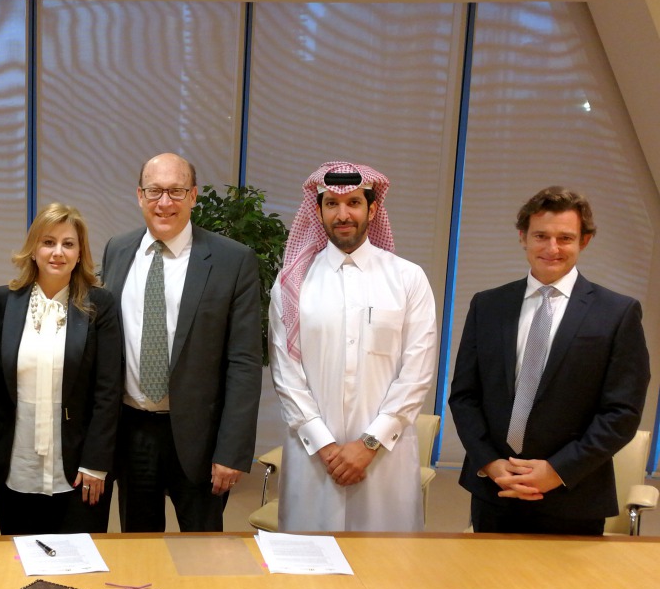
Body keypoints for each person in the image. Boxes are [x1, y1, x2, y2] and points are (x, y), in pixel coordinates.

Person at [450, 186, 649, 535]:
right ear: (522, 237)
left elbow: (622, 413)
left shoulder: (617, 313)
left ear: (584, 241)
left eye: (565, 238)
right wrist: (490, 463)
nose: (552, 248)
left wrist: (557, 471)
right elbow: (465, 396)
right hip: (495, 491)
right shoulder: (488, 305)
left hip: (573, 496)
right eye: (541, 235)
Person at [270, 162, 438, 532]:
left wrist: (369, 444)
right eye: (331, 203)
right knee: (309, 573)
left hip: (383, 462)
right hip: (314, 458)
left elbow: (417, 372)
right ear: (318, 210)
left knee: (386, 574)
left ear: (372, 209)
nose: (342, 214)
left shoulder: (407, 278)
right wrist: (327, 447)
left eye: (353, 203)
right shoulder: (292, 283)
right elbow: (286, 375)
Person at [101, 153, 262, 532]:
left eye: (175, 191)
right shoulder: (117, 251)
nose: (164, 202)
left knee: (203, 554)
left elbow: (244, 362)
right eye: (155, 191)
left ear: (193, 196)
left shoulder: (232, 260)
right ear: (139, 195)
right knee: (140, 550)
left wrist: (232, 451)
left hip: (201, 439)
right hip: (133, 431)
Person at [0, 203, 123, 535]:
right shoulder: (4, 300)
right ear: (33, 249)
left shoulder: (99, 305)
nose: (57, 252)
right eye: (48, 242)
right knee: (18, 563)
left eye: (68, 243)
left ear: (80, 253)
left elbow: (108, 392)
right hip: (15, 466)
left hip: (79, 470)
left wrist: (96, 463)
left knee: (79, 566)